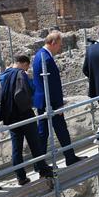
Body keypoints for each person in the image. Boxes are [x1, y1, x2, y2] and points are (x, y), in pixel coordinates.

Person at [33, 30, 82, 169]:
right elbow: (53, 85)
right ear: (53, 43)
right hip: (50, 102)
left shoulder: (39, 55)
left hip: (43, 100)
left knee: (44, 133)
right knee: (60, 130)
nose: (60, 48)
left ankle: (39, 163)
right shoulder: (46, 59)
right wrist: (59, 105)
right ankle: (69, 158)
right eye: (59, 45)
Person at [0, 54, 51, 184]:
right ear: (24, 63)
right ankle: (42, 168)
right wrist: (28, 105)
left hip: (11, 116)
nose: (27, 69)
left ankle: (21, 176)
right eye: (27, 66)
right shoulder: (21, 74)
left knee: (16, 147)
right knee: (35, 143)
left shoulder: (4, 75)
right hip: (24, 114)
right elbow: (28, 91)